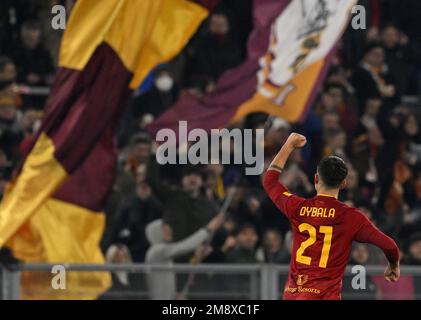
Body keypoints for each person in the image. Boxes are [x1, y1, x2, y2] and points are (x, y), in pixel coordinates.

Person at [262, 132, 400, 300]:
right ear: (343, 184)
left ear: (316, 178)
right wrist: (393, 265)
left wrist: (288, 145)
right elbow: (389, 245)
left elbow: (269, 181)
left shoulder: (298, 207)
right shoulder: (351, 217)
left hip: (293, 294)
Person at [145, 212, 225, 300]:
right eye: (164, 229)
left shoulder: (164, 253)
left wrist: (197, 256)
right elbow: (185, 246)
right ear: (157, 233)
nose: (169, 230)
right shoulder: (157, 250)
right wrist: (209, 228)